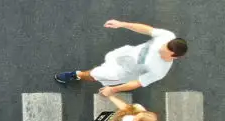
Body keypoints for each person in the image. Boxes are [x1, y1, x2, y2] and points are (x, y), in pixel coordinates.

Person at [54, 19, 186, 95]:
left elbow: (138, 82)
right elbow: (148, 30)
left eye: (165, 50)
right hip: (124, 54)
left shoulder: (160, 71)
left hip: (120, 73)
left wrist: (113, 89)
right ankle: (89, 73)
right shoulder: (167, 37)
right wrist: (123, 24)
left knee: (95, 74)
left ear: (174, 56)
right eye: (165, 45)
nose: (161, 47)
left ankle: (77, 75)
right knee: (107, 59)